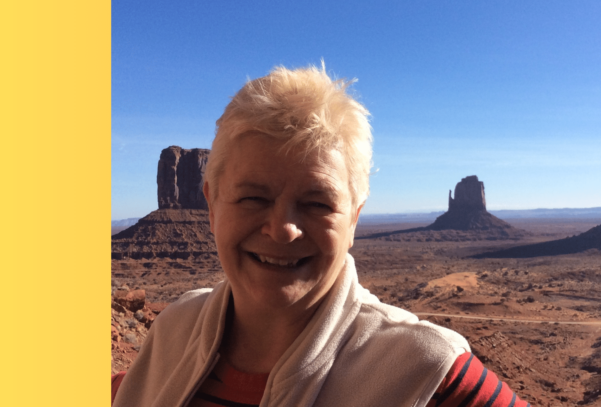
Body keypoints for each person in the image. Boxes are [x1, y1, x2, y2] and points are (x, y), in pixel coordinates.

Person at [112, 64, 530, 407]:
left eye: (317, 203)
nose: (282, 229)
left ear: (354, 218)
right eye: (253, 197)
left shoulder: (427, 372)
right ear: (211, 205)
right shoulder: (174, 330)